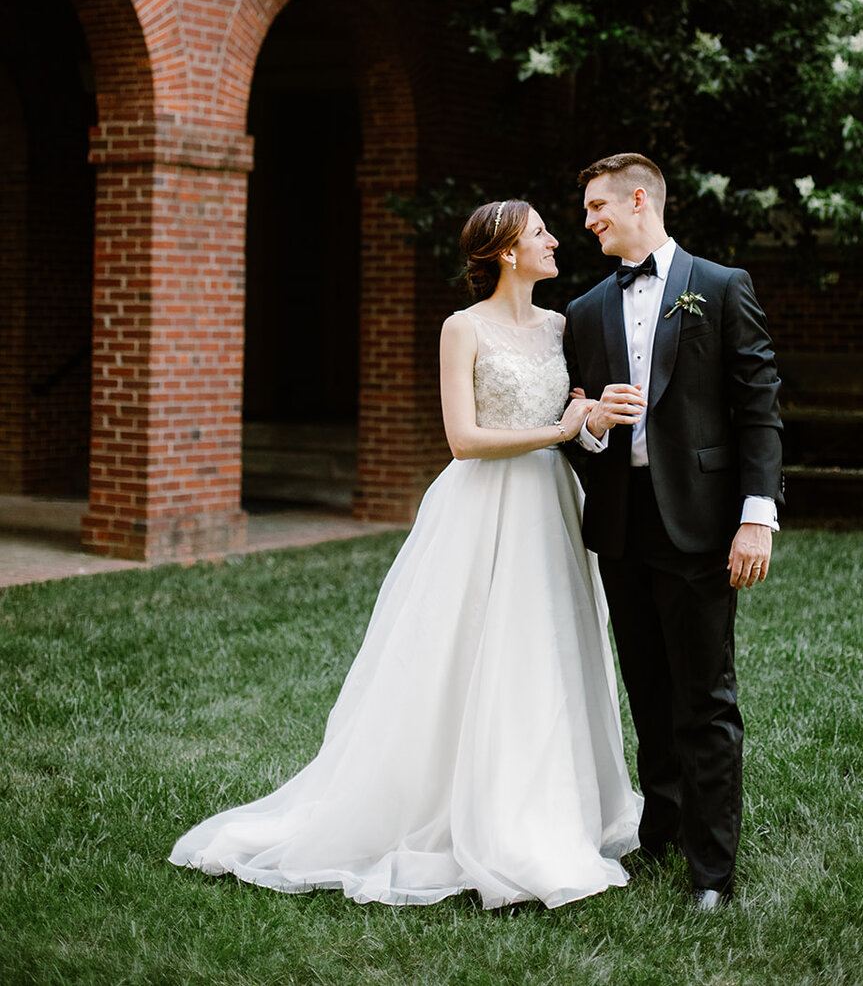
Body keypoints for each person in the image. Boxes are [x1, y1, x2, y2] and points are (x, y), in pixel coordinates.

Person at [170, 199, 639, 909]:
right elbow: (464, 439)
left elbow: (572, 421)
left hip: (549, 507)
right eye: (539, 232)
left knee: (545, 649)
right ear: (508, 251)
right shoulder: (463, 328)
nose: (552, 240)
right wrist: (557, 431)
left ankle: (548, 808)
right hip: (481, 506)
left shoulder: (562, 326)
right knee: (465, 653)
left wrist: (589, 423)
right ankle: (455, 812)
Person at [563, 153, 783, 911]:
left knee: (705, 697)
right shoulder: (587, 308)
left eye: (596, 207)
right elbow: (576, 423)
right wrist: (591, 427)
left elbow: (759, 407)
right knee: (647, 690)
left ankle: (712, 871)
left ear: (637, 199)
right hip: (622, 530)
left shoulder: (721, 288)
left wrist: (756, 518)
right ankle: (663, 825)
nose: (587, 221)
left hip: (701, 526)